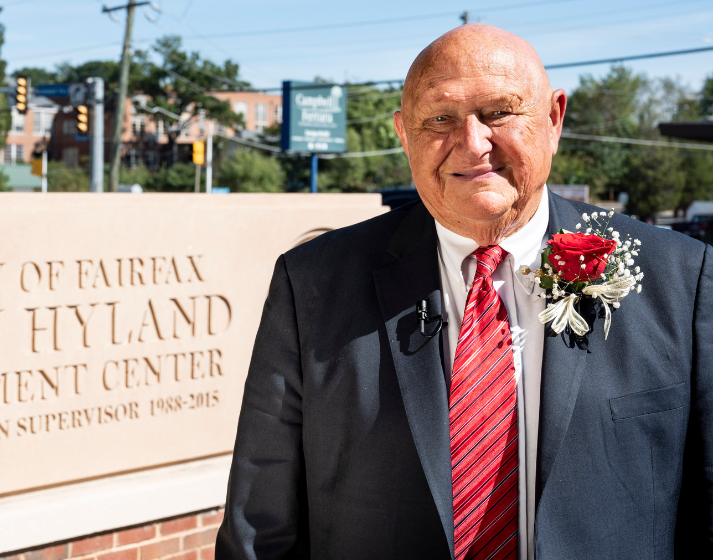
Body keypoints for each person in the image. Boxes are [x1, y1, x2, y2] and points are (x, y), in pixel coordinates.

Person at [215, 24, 713, 560]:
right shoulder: (311, 285)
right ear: (404, 134)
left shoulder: (681, 279)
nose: (473, 143)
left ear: (553, 119)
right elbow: (258, 531)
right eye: (440, 118)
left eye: (498, 112)